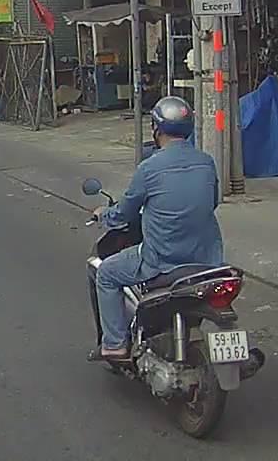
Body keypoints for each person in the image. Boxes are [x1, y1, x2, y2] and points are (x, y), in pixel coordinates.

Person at [88, 96, 224, 362]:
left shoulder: (149, 168)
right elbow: (213, 201)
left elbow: (125, 212)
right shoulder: (206, 162)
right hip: (207, 259)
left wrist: (104, 215)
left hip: (163, 259)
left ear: (156, 128)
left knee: (106, 273)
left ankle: (114, 344)